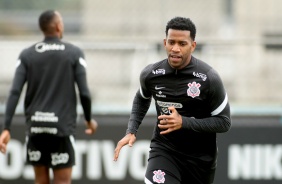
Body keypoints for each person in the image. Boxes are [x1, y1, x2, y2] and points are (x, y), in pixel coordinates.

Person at [114, 17, 231, 184]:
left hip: (200, 159)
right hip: (164, 150)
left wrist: (183, 122)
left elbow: (224, 122)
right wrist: (131, 130)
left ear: (193, 45)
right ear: (165, 42)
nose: (175, 48)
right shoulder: (151, 74)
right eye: (171, 42)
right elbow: (142, 98)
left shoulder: (209, 78)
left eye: (182, 44)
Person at [0, 10, 98, 184]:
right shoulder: (74, 53)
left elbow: (15, 91)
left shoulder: (27, 54)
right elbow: (84, 92)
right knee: (62, 181)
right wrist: (89, 120)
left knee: (41, 181)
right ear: (59, 26)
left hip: (36, 128)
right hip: (61, 129)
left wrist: (6, 127)